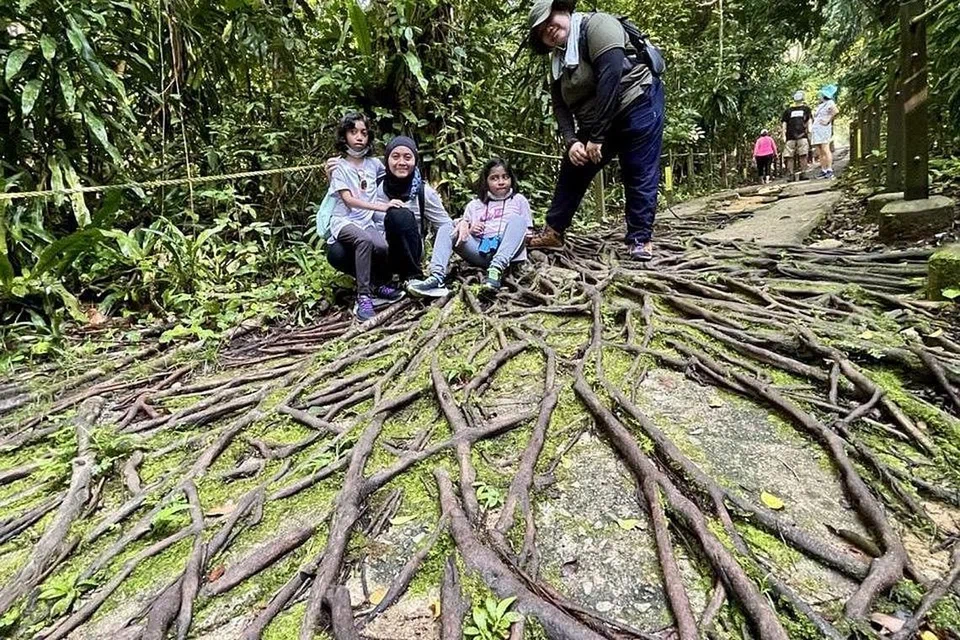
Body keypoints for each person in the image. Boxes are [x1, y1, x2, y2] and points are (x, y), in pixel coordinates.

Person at [524, 0, 665, 261]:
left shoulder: (598, 26)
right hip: (597, 121)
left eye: (549, 19)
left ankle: (639, 239)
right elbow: (560, 106)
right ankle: (553, 232)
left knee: (638, 170)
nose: (549, 29)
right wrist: (572, 141)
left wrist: (597, 137)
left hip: (638, 103)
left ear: (563, 11)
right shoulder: (558, 61)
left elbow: (610, 79)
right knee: (573, 167)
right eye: (542, 29)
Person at [407, 158, 533, 298]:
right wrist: (470, 229)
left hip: (508, 251)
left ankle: (496, 270)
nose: (501, 182)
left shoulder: (519, 200)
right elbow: (460, 228)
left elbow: (527, 232)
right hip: (481, 250)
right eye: (494, 178)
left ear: (511, 179)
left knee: (518, 220)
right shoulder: (474, 205)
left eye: (505, 177)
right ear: (486, 181)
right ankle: (436, 276)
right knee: (447, 227)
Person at [324, 113, 405, 321]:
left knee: (382, 246)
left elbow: (391, 173)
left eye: (364, 133)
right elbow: (349, 200)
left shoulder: (373, 164)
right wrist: (382, 207)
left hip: (365, 220)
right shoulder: (339, 167)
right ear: (345, 136)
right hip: (343, 221)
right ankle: (364, 297)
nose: (359, 137)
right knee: (364, 240)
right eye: (353, 132)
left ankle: (379, 286)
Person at [374, 136, 455, 287]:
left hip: (410, 253)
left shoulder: (423, 192)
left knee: (398, 214)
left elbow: (446, 226)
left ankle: (411, 277)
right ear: (387, 160)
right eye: (395, 157)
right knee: (337, 252)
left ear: (415, 161)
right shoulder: (374, 187)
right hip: (378, 252)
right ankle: (375, 282)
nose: (401, 162)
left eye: (407, 157)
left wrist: (437, 266)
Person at [781, 91, 812, 180]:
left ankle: (801, 173)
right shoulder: (789, 110)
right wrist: (783, 134)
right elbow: (784, 123)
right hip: (793, 136)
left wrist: (810, 132)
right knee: (792, 156)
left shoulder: (805, 109)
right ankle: (794, 174)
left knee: (800, 155)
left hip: (800, 136)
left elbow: (809, 121)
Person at [811, 85, 840, 179]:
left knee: (825, 149)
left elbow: (835, 111)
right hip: (817, 129)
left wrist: (828, 120)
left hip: (823, 129)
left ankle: (829, 169)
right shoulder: (821, 105)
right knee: (819, 151)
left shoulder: (830, 103)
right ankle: (823, 169)